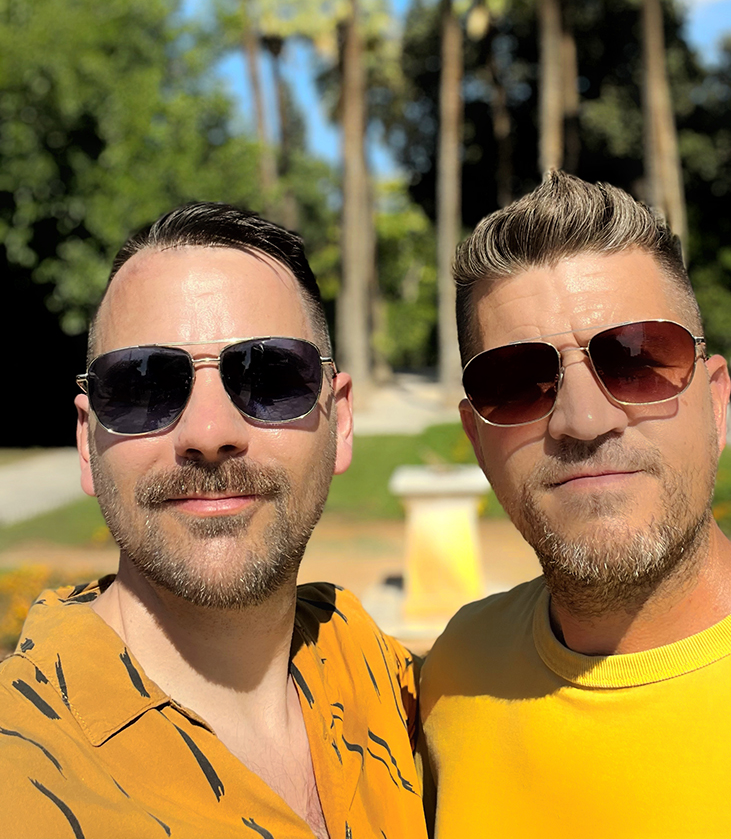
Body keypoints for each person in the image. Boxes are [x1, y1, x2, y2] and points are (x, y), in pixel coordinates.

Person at [0, 203, 427, 839]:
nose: (208, 432)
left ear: (339, 422)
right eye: (144, 385)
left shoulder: (377, 669)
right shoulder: (19, 775)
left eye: (269, 376)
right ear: (87, 443)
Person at [419, 172, 731, 839]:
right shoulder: (455, 672)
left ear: (716, 404)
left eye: (635, 360)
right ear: (478, 439)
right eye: (518, 381)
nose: (585, 419)